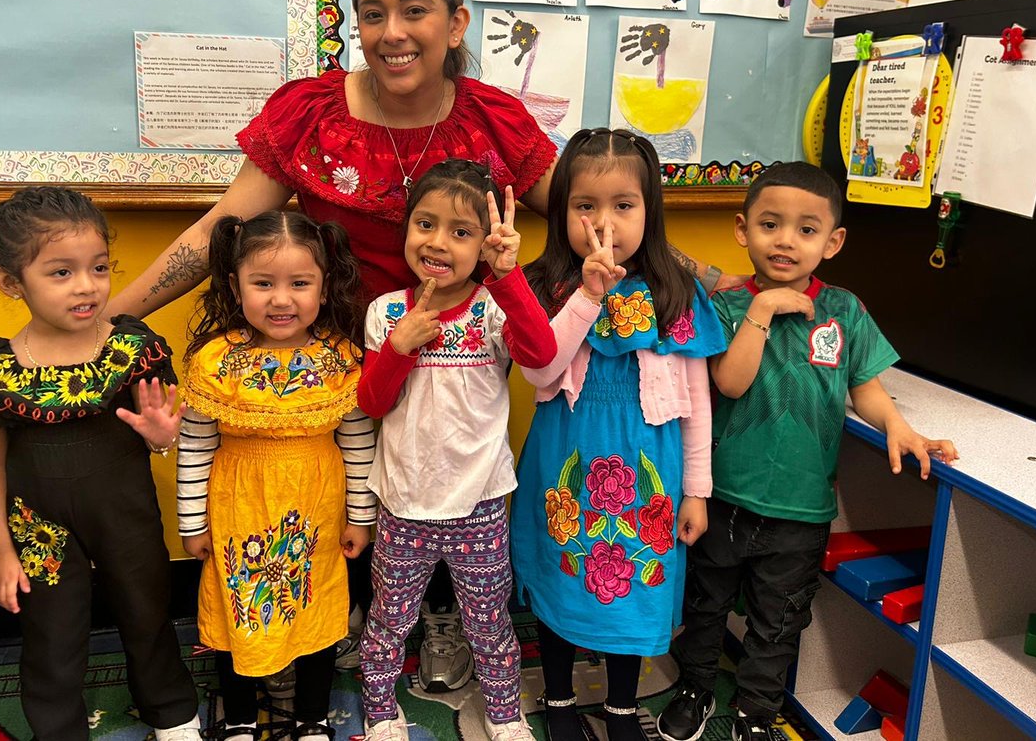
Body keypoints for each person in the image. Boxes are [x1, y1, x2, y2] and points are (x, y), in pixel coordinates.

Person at [107, 0, 562, 693]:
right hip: (330, 373)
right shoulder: (312, 113)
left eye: (414, 11)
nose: (391, 32)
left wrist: (691, 272)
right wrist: (107, 322)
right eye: (372, 13)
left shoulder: (493, 122)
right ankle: (328, 625)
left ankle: (440, 626)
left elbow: (587, 210)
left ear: (456, 24)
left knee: (452, 496)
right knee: (335, 499)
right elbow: (219, 231)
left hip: (453, 365)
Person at [657, 162, 959, 741]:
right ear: (744, 230)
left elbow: (864, 387)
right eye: (771, 225)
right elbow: (729, 382)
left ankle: (755, 715)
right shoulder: (723, 305)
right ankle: (695, 688)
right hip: (723, 494)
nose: (786, 241)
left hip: (801, 506)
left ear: (833, 241)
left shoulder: (844, 310)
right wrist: (763, 310)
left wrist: (898, 425)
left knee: (779, 622)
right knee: (705, 605)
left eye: (805, 229)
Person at [0, 187, 201, 740]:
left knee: (148, 613)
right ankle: (57, 729)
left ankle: (172, 714)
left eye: (99, 268)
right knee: (51, 632)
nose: (87, 286)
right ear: (11, 282)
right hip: (39, 529)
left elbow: (158, 433)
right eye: (61, 272)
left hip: (125, 513)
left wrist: (160, 439)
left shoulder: (131, 348)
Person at [511, 129, 727, 741]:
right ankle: (557, 700)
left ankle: (621, 706)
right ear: (562, 212)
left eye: (622, 205)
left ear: (649, 210)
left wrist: (697, 492)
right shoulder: (545, 284)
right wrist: (586, 295)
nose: (603, 223)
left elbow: (696, 404)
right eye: (586, 206)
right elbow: (540, 368)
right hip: (565, 463)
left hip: (649, 466)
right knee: (563, 573)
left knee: (634, 584)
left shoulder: (674, 294)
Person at [356, 159, 557, 741]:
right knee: (389, 621)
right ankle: (381, 710)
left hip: (481, 502)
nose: (438, 243)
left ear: (483, 245)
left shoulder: (495, 307)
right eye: (425, 224)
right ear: (407, 230)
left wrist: (509, 274)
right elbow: (372, 402)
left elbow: (542, 357)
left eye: (461, 232)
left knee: (490, 620)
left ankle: (503, 712)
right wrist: (399, 347)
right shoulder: (387, 312)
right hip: (404, 501)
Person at [174, 211, 376, 741]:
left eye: (299, 283)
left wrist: (361, 517)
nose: (281, 299)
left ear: (325, 287)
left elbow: (357, 443)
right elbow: (195, 443)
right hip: (238, 504)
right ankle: (240, 718)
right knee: (233, 605)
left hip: (318, 506)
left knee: (316, 607)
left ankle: (311, 717)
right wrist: (192, 522)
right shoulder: (215, 361)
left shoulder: (341, 359)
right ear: (235, 285)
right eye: (263, 283)